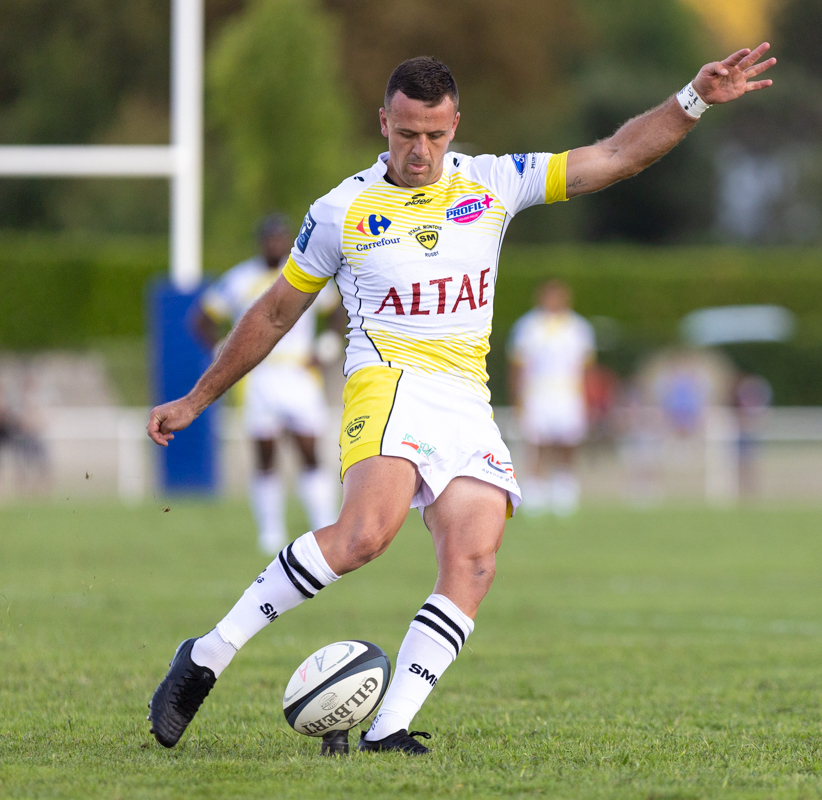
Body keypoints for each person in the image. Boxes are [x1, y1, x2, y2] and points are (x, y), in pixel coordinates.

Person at [146, 49, 776, 754]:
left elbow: (616, 155)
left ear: (455, 126)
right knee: (364, 537)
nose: (420, 151)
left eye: (435, 135)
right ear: (383, 122)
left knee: (474, 562)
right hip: (388, 380)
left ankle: (388, 727)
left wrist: (693, 98)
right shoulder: (340, 210)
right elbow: (272, 313)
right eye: (406, 133)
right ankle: (207, 655)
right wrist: (197, 399)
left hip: (465, 399)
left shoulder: (495, 181)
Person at [195, 214, 344, 554]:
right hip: (259, 376)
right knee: (265, 454)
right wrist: (223, 353)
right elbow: (202, 319)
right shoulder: (240, 279)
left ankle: (324, 525)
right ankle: (270, 533)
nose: (275, 244)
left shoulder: (305, 271)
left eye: (281, 238)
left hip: (299, 372)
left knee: (309, 450)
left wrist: (327, 347)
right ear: (260, 242)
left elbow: (337, 310)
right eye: (270, 238)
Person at [507, 280, 595, 516]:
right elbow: (517, 365)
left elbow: (586, 367)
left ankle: (563, 489)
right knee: (537, 441)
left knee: (568, 442)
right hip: (537, 392)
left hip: (568, 393)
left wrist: (587, 397)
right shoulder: (528, 327)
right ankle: (535, 490)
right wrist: (517, 397)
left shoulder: (578, 327)